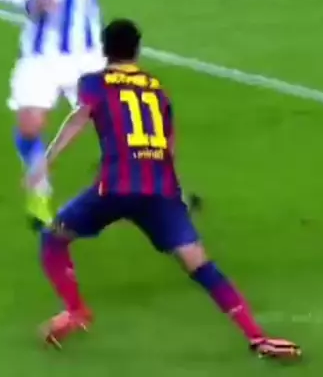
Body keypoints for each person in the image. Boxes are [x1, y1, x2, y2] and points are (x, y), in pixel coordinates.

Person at [25, 19, 303, 360]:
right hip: (160, 190)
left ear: (104, 49)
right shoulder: (157, 90)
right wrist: (177, 192)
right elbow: (168, 147)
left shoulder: (94, 83)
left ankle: (76, 311)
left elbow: (80, 118)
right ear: (137, 50)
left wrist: (45, 162)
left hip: (114, 188)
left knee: (53, 237)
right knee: (200, 265)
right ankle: (257, 337)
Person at [0, 0, 166, 228]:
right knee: (30, 125)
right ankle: (39, 190)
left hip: (87, 54)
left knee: (124, 125)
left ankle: (159, 191)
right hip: (42, 54)